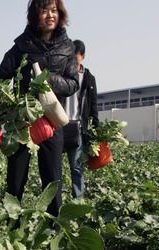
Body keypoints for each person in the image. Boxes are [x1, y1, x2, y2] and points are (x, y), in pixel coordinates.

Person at [0, 0, 79, 216]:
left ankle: (54, 229)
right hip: (22, 122)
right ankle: (11, 225)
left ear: (60, 15)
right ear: (35, 15)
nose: (50, 15)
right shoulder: (21, 46)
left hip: (51, 121)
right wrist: (11, 110)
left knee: (53, 181)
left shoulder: (67, 48)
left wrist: (48, 79)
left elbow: (72, 83)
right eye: (44, 10)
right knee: (15, 181)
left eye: (54, 11)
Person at [63, 39, 99, 199]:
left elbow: (93, 105)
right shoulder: (62, 75)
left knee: (76, 168)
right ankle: (54, 202)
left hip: (77, 127)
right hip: (60, 124)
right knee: (53, 168)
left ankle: (78, 201)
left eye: (75, 56)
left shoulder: (89, 79)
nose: (72, 59)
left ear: (82, 56)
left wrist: (97, 128)